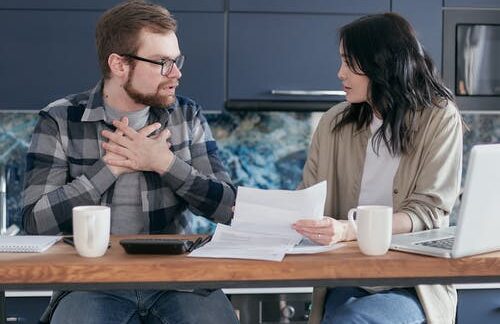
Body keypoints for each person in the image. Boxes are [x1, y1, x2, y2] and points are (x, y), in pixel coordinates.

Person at [21, 1, 238, 323]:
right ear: (119, 64)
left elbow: (231, 208)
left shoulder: (186, 116)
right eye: (163, 62)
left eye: (177, 61)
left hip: (178, 280)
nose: (176, 73)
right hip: (88, 280)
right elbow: (34, 222)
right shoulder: (61, 119)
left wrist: (164, 163)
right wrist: (109, 170)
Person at [292, 13, 463, 324]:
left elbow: (428, 211)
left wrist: (349, 228)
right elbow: (308, 196)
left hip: (411, 283)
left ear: (381, 63)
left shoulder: (439, 118)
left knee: (352, 320)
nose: (339, 72)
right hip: (347, 277)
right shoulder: (334, 121)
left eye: (349, 62)